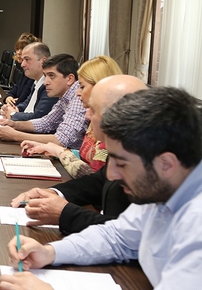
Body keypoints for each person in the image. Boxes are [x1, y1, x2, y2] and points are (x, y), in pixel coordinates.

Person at [2, 87, 202, 290]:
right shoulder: (169, 188)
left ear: (166, 163)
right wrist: (50, 252)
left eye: (122, 163)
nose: (112, 174)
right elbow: (116, 237)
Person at [10, 74, 147, 234]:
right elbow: (99, 181)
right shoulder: (122, 144)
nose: (87, 116)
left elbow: (130, 234)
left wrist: (65, 214)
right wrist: (53, 193)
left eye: (93, 110)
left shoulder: (149, 157)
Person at [20, 55, 123, 178]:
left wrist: (60, 151)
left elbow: (94, 177)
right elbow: (85, 156)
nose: (77, 92)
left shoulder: (112, 129)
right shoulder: (94, 117)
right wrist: (49, 148)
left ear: (100, 88)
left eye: (82, 87)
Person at [0, 54, 88, 149]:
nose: (45, 82)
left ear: (70, 79)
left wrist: (15, 135)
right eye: (45, 76)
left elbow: (61, 140)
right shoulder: (66, 96)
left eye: (52, 76)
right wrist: (14, 124)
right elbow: (47, 122)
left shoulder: (78, 97)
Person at [0, 42, 55, 121]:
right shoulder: (36, 81)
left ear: (43, 61)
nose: (22, 64)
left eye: (27, 59)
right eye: (23, 60)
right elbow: (27, 104)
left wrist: (13, 114)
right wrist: (13, 109)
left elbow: (38, 118)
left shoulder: (50, 86)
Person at [3, 32, 40, 109]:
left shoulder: (32, 74)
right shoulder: (24, 71)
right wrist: (8, 97)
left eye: (22, 49)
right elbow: (15, 89)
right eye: (17, 49)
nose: (18, 52)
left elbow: (23, 100)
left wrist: (15, 103)